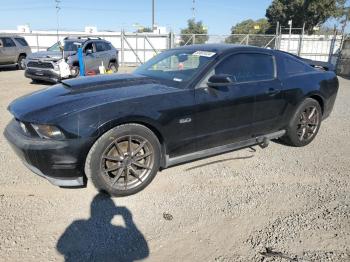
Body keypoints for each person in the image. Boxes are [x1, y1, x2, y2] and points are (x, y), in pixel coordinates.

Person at [57, 193, 149, 262]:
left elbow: (60, 247)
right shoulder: (119, 232)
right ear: (112, 215)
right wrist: (128, 220)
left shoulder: (77, 225)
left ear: (92, 210)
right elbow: (144, 252)